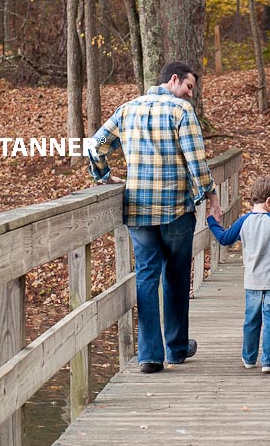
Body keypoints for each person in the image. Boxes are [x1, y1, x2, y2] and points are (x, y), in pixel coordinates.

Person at [88, 61, 223, 374]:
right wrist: (211, 197)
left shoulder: (127, 109)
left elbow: (96, 146)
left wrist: (104, 176)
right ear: (173, 80)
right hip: (175, 210)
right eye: (188, 87)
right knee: (176, 276)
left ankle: (149, 355)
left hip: (138, 212)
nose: (190, 94)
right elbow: (196, 160)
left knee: (147, 276)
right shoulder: (180, 112)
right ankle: (176, 349)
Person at [207, 176, 270, 373]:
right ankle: (269, 361)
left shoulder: (243, 221)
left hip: (252, 281)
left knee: (251, 320)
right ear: (269, 201)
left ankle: (249, 357)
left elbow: (224, 238)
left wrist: (212, 221)